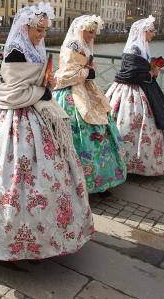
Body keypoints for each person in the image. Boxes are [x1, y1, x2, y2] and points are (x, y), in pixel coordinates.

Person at [0, 3, 93, 260]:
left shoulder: (36, 47)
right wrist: (42, 89)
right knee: (3, 175)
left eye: (45, 30)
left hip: (36, 112)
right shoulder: (15, 51)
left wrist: (47, 83)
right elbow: (16, 89)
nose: (42, 35)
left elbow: (35, 82)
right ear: (26, 27)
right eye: (38, 30)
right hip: (11, 114)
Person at [53, 15, 126, 195]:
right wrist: (88, 71)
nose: (92, 36)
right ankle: (73, 180)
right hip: (71, 94)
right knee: (76, 133)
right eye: (90, 32)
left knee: (100, 129)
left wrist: (89, 70)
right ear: (81, 29)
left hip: (88, 90)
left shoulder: (84, 45)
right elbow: (65, 74)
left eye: (94, 32)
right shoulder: (72, 45)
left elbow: (86, 68)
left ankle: (100, 178)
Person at [105, 16, 164, 176]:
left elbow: (138, 70)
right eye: (151, 31)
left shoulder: (142, 46)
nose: (154, 34)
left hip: (143, 90)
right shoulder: (135, 48)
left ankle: (139, 162)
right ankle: (128, 161)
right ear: (143, 32)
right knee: (130, 124)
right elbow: (131, 74)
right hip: (131, 93)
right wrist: (151, 73)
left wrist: (152, 70)